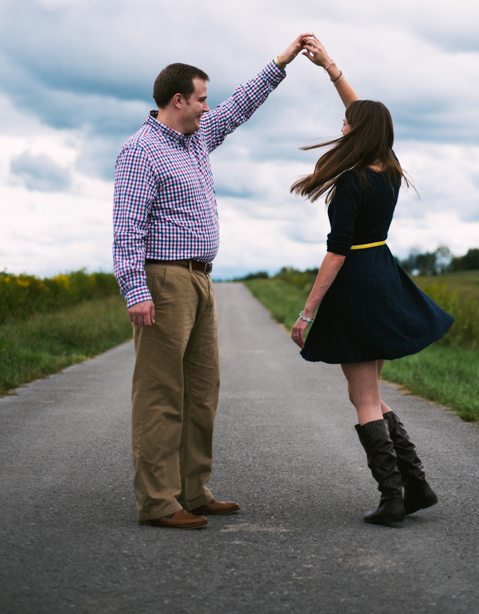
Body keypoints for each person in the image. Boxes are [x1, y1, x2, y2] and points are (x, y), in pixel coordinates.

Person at [113, 35, 309, 529]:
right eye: (201, 98)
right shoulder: (141, 151)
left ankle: (192, 491)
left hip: (201, 280)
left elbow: (239, 107)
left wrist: (280, 63)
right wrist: (135, 291)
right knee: (161, 393)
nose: (208, 107)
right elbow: (126, 227)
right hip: (164, 279)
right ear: (177, 100)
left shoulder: (197, 137)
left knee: (201, 389)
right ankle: (159, 502)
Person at [291, 35, 453, 527]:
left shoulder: (351, 182)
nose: (341, 123)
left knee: (363, 397)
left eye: (347, 123)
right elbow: (366, 115)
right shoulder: (390, 170)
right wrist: (331, 70)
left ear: (358, 132)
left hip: (357, 284)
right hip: (381, 277)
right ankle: (417, 485)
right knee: (367, 391)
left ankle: (392, 498)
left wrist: (307, 311)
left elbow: (337, 252)